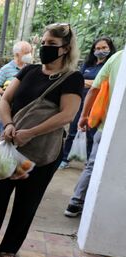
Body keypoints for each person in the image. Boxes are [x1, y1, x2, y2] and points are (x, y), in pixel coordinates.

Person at [0, 23, 84, 257]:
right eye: (43, 43)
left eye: (52, 44)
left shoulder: (71, 78)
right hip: (12, 147)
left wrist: (31, 132)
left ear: (66, 48)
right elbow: (5, 101)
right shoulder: (29, 71)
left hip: (42, 154)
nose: (45, 47)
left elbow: (66, 115)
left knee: (26, 202)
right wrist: (9, 125)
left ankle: (9, 247)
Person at [64, 49, 123, 217]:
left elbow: (94, 89)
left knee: (92, 165)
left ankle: (75, 202)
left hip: (105, 126)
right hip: (109, 127)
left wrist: (84, 115)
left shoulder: (117, 58)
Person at [59, 37, 116, 169]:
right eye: (97, 48)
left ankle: (89, 162)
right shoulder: (88, 64)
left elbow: (105, 84)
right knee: (73, 130)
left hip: (98, 105)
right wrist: (94, 83)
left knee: (92, 134)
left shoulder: (110, 65)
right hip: (80, 102)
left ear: (110, 48)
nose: (100, 51)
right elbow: (79, 80)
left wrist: (90, 83)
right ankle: (64, 159)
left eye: (103, 48)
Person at [0, 41, 33, 132]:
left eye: (30, 52)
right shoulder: (6, 69)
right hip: (8, 112)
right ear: (17, 54)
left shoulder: (30, 69)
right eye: (26, 52)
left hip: (24, 113)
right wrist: (9, 92)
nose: (29, 55)